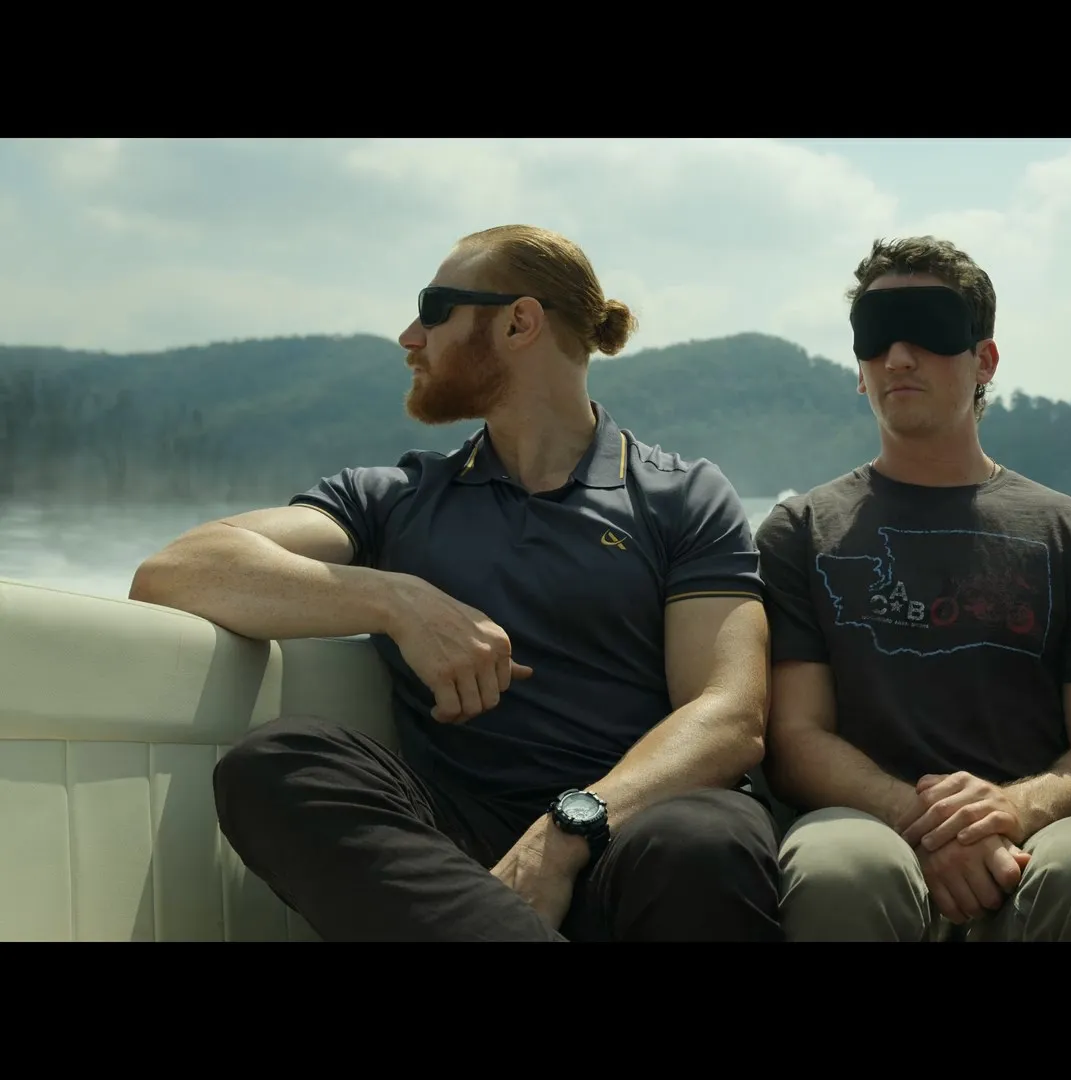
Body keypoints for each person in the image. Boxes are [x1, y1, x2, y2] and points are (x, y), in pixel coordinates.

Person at [128, 225, 783, 942]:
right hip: (462, 856)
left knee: (704, 841)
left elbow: (729, 715)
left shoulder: (681, 497)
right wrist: (396, 599)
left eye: (433, 309)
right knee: (276, 765)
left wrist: (565, 834)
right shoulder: (395, 498)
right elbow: (176, 571)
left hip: (634, 828)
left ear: (518, 322)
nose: (410, 337)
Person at [753, 235, 1071, 941]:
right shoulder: (800, 532)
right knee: (840, 871)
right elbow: (795, 734)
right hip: (864, 822)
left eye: (929, 331)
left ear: (986, 360)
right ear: (859, 369)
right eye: (876, 336)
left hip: (1038, 832)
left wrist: (1013, 810)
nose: (898, 357)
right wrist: (918, 816)